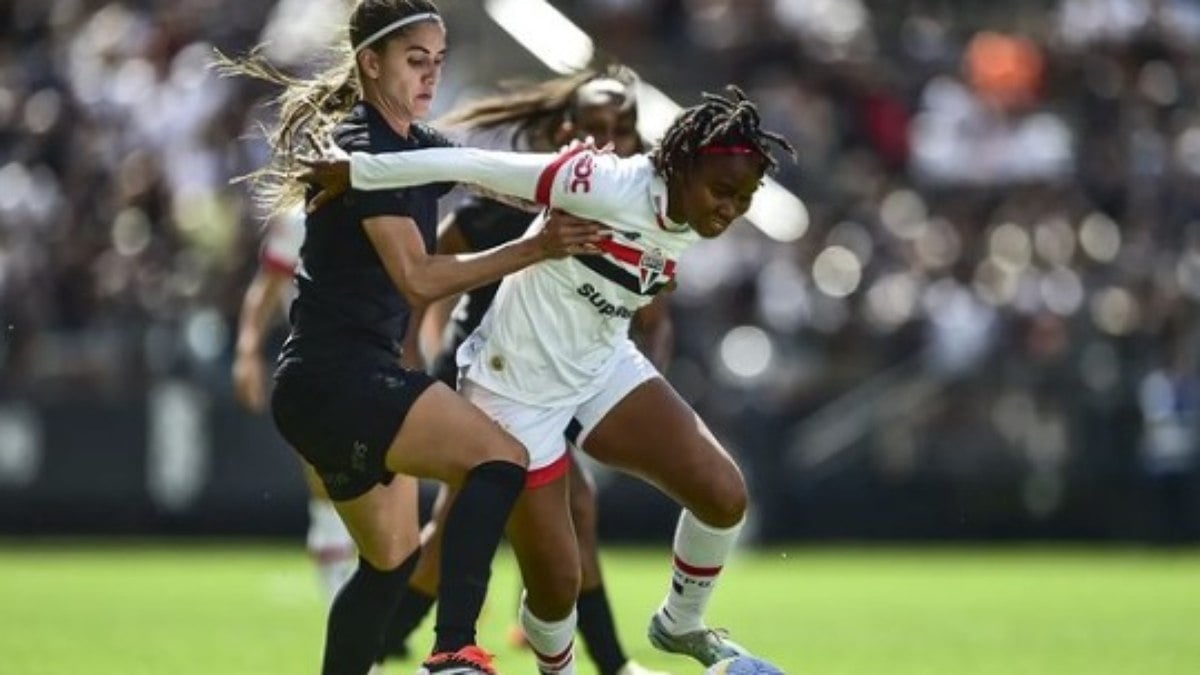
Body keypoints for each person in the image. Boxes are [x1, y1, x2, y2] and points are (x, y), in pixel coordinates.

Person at [302, 85, 795, 670]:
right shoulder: (598, 182)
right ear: (682, 165)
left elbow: (646, 280)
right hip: (514, 390)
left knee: (724, 495)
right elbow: (472, 164)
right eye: (722, 191)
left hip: (601, 366)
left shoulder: (694, 214)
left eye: (743, 198)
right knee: (557, 585)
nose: (729, 209)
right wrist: (360, 170)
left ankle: (679, 624)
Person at [220, 1, 606, 673]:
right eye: (415, 60)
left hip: (320, 384)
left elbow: (500, 181)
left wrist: (577, 181)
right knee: (499, 459)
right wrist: (538, 246)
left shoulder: (415, 146)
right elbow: (420, 279)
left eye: (438, 62)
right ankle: (455, 649)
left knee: (389, 565)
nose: (430, 75)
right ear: (371, 63)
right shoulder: (362, 148)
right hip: (344, 377)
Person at [377, 67, 673, 675]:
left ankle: (387, 644)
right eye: (596, 127)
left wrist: (646, 385)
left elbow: (654, 319)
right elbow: (426, 274)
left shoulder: (640, 209)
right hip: (490, 373)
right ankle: (606, 662)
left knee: (546, 517)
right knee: (473, 530)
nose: (611, 142)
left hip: (558, 385)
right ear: (566, 131)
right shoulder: (515, 199)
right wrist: (415, 353)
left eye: (623, 129)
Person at [231, 207, 359, 607]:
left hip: (376, 358)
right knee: (328, 490)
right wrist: (247, 351)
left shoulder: (393, 200)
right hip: (315, 361)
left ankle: (380, 612)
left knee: (377, 494)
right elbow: (267, 286)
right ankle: (342, 609)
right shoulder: (300, 219)